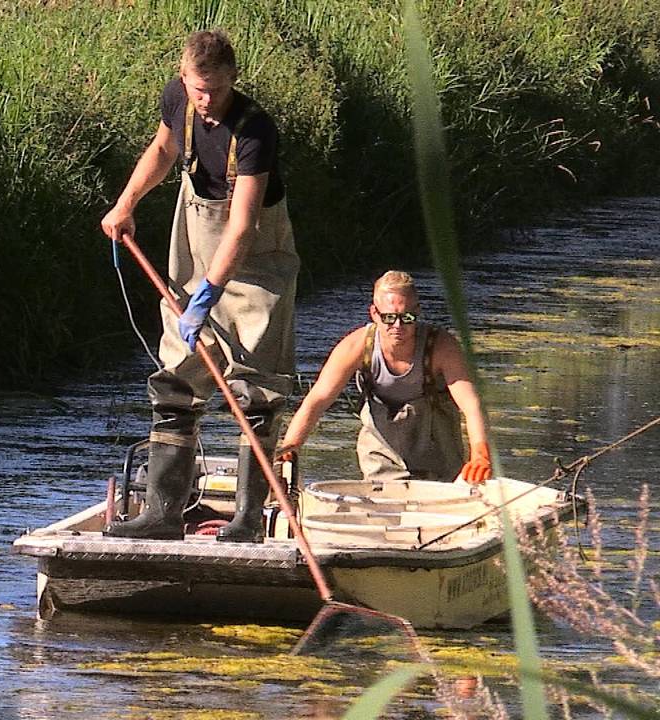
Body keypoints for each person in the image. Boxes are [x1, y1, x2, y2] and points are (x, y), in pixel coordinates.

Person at [99, 29, 299, 542]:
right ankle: (162, 514)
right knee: (178, 375)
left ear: (233, 77)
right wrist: (126, 204)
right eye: (197, 89)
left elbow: (244, 225)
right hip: (193, 240)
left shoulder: (255, 130)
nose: (206, 100)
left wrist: (207, 296)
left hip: (256, 262)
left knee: (255, 387)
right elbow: (163, 149)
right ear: (183, 78)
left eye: (216, 90)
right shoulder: (178, 99)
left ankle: (247, 520)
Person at [277, 271, 494, 484]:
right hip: (381, 463)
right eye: (389, 318)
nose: (398, 326)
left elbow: (471, 404)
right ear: (374, 313)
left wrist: (480, 453)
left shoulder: (441, 346)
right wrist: (290, 449)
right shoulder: (356, 346)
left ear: (418, 312)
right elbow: (317, 401)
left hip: (440, 463)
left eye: (407, 318)